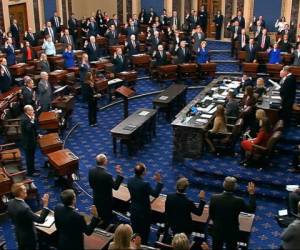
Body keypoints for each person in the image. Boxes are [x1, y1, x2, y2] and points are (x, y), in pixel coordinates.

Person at [209, 177, 256, 250]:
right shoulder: (239, 201)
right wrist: (251, 193)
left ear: (223, 185)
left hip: (217, 229)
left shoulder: (214, 197)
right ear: (235, 187)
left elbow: (211, 215)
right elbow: (251, 209)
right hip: (232, 230)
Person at [128, 163, 163, 244]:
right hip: (144, 213)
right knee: (144, 232)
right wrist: (159, 182)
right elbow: (155, 194)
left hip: (133, 209)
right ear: (143, 172)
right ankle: (143, 245)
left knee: (135, 230)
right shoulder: (145, 184)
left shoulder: (129, 180)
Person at [7, 183, 50, 250]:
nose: (26, 190)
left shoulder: (10, 202)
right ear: (20, 193)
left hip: (19, 233)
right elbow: (40, 220)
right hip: (29, 237)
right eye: (24, 189)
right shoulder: (25, 208)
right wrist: (45, 205)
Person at [88, 153, 123, 226]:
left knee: (99, 212)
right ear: (104, 162)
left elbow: (91, 185)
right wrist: (119, 174)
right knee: (106, 217)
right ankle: (106, 225)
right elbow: (115, 187)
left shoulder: (91, 171)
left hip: (96, 197)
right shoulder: (107, 175)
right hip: (106, 201)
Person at [21, 105, 39, 176]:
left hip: (32, 140)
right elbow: (28, 129)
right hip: (28, 142)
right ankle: (30, 173)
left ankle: (33, 169)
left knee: (32, 156)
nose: (33, 111)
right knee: (29, 158)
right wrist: (32, 120)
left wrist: (37, 135)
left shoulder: (29, 117)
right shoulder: (24, 119)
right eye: (31, 110)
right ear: (27, 111)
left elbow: (33, 128)